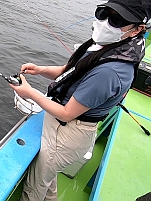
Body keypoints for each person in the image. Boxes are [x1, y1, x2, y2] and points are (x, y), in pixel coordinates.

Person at [9, 0, 151, 200]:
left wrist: (30, 93)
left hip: (68, 133)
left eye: (117, 20)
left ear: (137, 29)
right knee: (47, 178)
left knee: (35, 187)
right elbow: (68, 72)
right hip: (61, 124)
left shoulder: (110, 71)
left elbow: (67, 113)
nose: (105, 23)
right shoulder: (108, 45)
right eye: (103, 13)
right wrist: (40, 70)